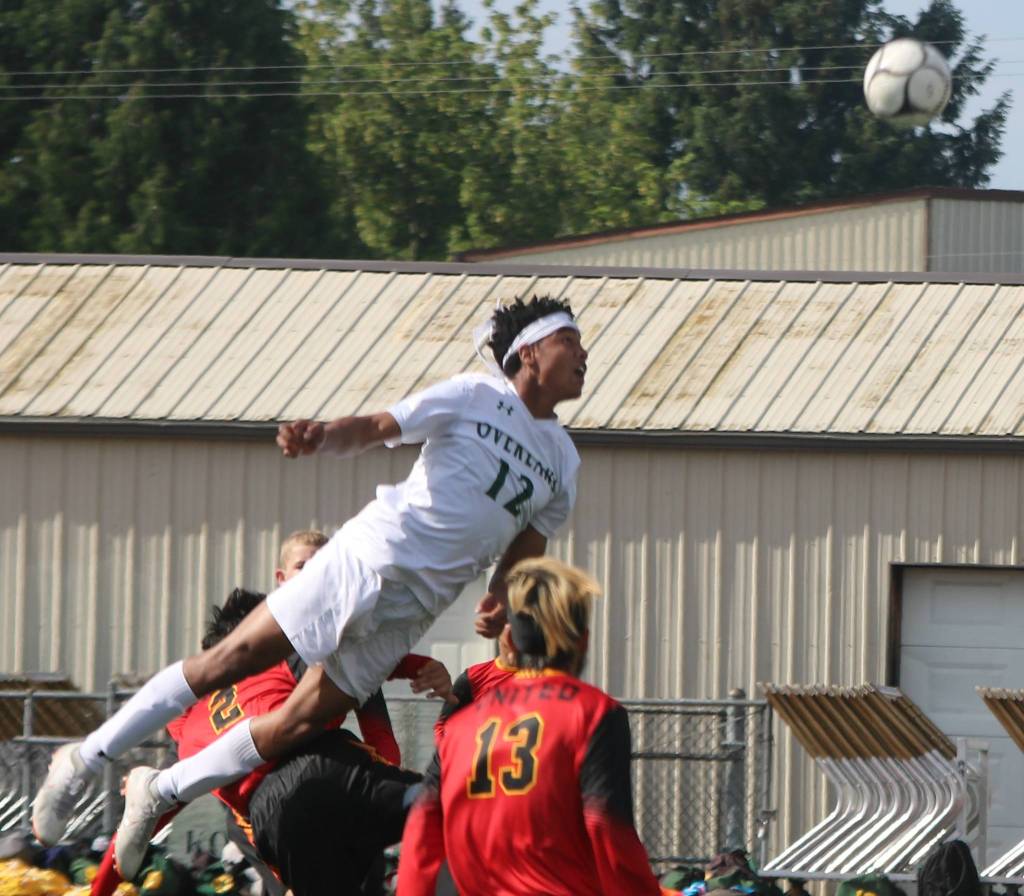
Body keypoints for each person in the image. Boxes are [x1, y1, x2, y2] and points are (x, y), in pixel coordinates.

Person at [33, 294, 587, 880]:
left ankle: (161, 789)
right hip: (367, 559)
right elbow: (377, 427)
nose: (583, 355)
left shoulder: (565, 462)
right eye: (570, 341)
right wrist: (321, 437)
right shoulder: (474, 394)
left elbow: (524, 552)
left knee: (299, 724)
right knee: (232, 658)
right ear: (529, 352)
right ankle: (81, 759)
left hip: (415, 609)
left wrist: (501, 598)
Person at [90, 588, 427, 896]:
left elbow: (142, 820)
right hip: (327, 767)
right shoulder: (278, 656)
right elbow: (353, 663)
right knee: (444, 811)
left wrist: (100, 889)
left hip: (272, 816)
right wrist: (419, 666)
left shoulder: (188, 723)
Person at [396, 556, 671, 896]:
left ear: (511, 641)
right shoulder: (594, 713)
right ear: (583, 641)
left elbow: (423, 823)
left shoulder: (461, 728)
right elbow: (604, 823)